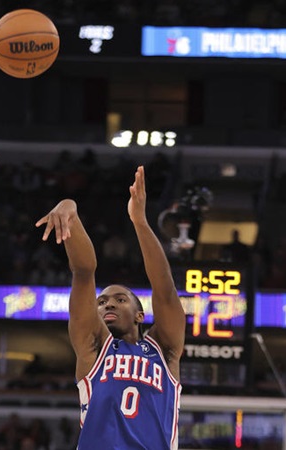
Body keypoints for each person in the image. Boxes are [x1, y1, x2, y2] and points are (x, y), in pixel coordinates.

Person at [36, 166, 185, 449]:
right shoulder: (93, 347)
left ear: (140, 315)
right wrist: (70, 211)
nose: (108, 304)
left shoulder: (163, 350)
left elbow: (164, 289)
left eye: (120, 299)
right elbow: (82, 271)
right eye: (101, 302)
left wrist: (140, 222)